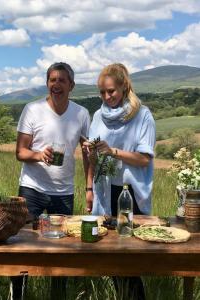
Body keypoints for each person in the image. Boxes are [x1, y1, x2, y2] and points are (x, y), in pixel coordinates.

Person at [12, 62, 90, 300]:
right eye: (52, 80)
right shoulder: (32, 109)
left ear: (71, 86)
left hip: (63, 191)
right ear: (47, 83)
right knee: (23, 243)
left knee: (62, 249)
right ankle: (18, 294)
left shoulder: (81, 114)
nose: (56, 85)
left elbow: (88, 154)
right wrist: (38, 155)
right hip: (32, 189)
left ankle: (59, 294)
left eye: (62, 80)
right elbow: (20, 152)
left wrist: (89, 188)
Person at [84, 63, 155, 300]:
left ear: (124, 87)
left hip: (129, 194)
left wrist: (113, 151)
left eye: (111, 91)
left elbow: (144, 159)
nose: (107, 97)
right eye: (102, 92)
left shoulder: (142, 115)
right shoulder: (98, 115)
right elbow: (96, 157)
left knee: (129, 259)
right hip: (105, 191)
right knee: (109, 256)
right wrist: (91, 152)